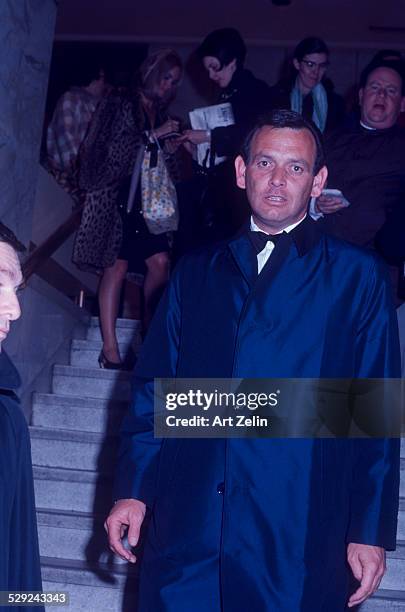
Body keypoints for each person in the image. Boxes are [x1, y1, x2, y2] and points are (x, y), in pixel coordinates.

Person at [105, 110, 400, 611]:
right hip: (189, 528)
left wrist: (368, 529)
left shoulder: (359, 277)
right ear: (242, 172)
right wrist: (134, 489)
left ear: (318, 181)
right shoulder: (196, 272)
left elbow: (372, 412)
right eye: (265, 163)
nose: (279, 181)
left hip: (297, 533)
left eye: (296, 168)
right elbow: (156, 391)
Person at [73, 49, 183, 367]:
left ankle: (149, 338)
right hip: (118, 195)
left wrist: (169, 147)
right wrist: (152, 137)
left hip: (148, 201)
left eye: (174, 82)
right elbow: (109, 150)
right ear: (151, 73)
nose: (169, 87)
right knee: (116, 266)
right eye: (166, 78)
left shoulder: (160, 114)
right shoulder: (120, 101)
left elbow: (158, 164)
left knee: (160, 263)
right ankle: (110, 350)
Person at [314, 58, 405, 299]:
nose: (381, 95)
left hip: (378, 278)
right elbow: (301, 189)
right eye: (375, 88)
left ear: (402, 103)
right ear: (361, 95)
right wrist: (315, 204)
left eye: (391, 91)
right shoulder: (329, 140)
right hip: (322, 266)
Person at [175, 28, 273, 249]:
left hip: (237, 196)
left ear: (232, 62)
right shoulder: (229, 92)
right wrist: (197, 147)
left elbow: (252, 135)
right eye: (208, 69)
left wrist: (208, 137)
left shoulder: (254, 90)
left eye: (215, 67)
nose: (211, 75)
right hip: (223, 189)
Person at [0, 237, 44, 611]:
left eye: (15, 289)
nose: (14, 309)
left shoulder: (8, 416)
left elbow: (18, 560)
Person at [46, 59, 109, 196]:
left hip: (82, 183)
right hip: (64, 185)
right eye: (102, 79)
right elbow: (67, 147)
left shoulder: (93, 105)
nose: (104, 84)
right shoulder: (70, 99)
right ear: (93, 78)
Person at [270, 37, 345, 134]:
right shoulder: (275, 97)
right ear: (297, 64)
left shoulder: (335, 103)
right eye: (310, 64)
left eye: (321, 66)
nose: (316, 72)